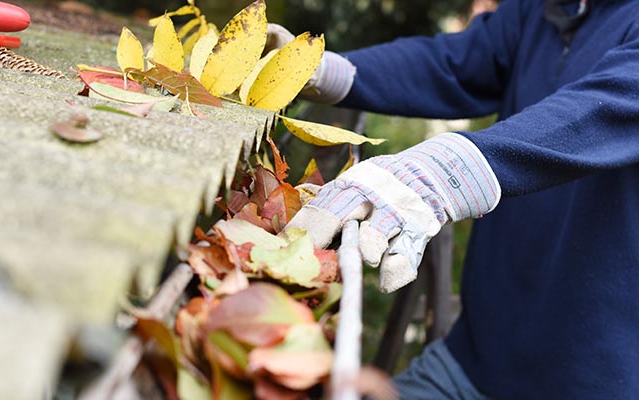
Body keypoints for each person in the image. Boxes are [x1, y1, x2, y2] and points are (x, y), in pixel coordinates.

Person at [271, 0, 639, 398]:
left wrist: (448, 171)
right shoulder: (543, 9)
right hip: (469, 362)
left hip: (593, 384)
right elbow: (454, 63)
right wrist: (321, 70)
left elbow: (611, 105)